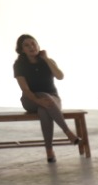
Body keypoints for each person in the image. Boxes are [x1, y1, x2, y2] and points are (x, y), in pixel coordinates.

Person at [12, 34, 79, 163]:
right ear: (22, 50)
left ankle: (49, 151)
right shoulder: (19, 65)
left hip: (53, 99)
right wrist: (38, 100)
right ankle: (68, 132)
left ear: (38, 45)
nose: (31, 47)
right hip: (30, 100)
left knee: (44, 110)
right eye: (27, 45)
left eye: (33, 43)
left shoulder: (48, 61)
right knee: (44, 98)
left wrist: (47, 59)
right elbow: (25, 89)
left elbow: (60, 76)